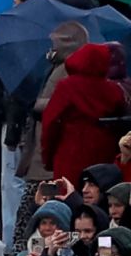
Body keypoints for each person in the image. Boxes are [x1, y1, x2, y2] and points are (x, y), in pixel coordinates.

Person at [41, 43, 128, 188]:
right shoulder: (114, 91)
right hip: (103, 156)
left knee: (67, 198)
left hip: (69, 155)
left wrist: (48, 157)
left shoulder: (66, 87)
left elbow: (50, 122)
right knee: (97, 199)